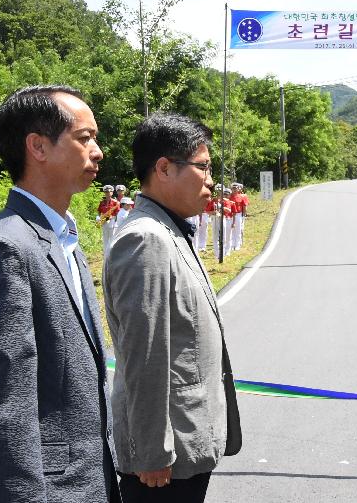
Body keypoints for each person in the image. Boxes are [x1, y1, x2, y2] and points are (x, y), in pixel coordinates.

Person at [0, 85, 121, 502]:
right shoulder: (4, 249)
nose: (98, 151)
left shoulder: (64, 240)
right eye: (84, 138)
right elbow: (3, 408)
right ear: (38, 146)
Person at [104, 112, 242, 503]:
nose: (212, 181)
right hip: (165, 461)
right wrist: (152, 451)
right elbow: (144, 355)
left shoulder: (171, 229)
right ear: (164, 168)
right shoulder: (146, 240)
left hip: (185, 446)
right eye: (203, 167)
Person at [98, 184, 120, 256]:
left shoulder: (116, 202)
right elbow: (99, 211)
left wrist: (111, 217)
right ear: (104, 193)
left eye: (110, 192)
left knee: (112, 237)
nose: (108, 193)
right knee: (105, 237)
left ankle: (112, 253)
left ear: (112, 193)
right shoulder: (102, 202)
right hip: (104, 220)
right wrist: (100, 218)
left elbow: (117, 213)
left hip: (112, 221)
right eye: (106, 192)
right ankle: (106, 253)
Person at [231, 182, 249, 251]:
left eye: (236, 188)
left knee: (238, 230)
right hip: (231, 215)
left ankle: (237, 244)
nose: (234, 189)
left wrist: (243, 216)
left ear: (238, 189)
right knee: (232, 230)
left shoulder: (242, 196)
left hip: (238, 214)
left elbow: (244, 207)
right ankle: (232, 244)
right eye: (233, 188)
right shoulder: (229, 196)